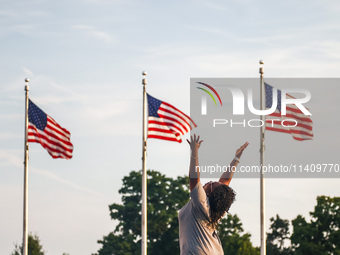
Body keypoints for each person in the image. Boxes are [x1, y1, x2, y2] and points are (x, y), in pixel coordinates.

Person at [178, 134, 249, 255]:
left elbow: (194, 179)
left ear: (210, 194)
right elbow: (225, 182)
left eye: (211, 183)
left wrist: (194, 152)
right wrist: (236, 158)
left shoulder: (201, 203)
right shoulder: (217, 211)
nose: (209, 181)